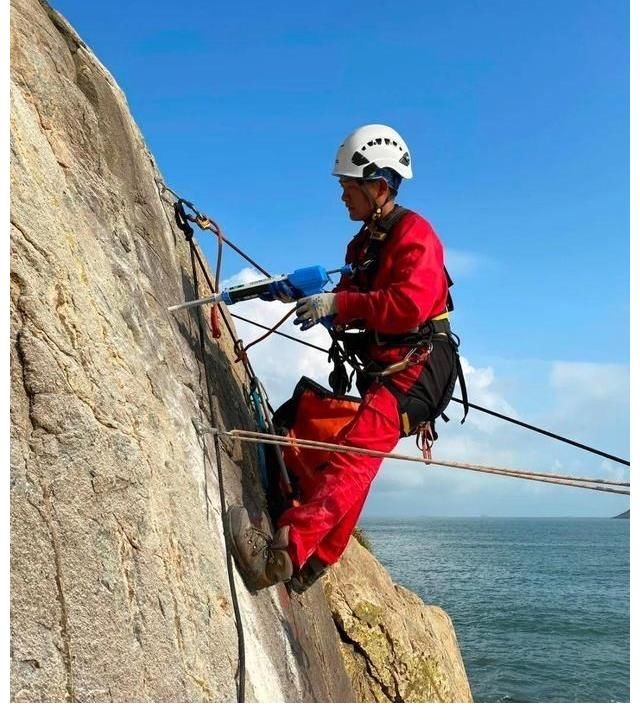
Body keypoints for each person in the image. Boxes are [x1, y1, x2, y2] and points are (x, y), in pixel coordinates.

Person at [228, 124, 460, 593]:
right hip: (390, 365)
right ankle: (314, 564)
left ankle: (281, 556)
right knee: (357, 458)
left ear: (378, 186)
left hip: (418, 368)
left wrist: (339, 305)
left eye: (347, 188)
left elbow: (409, 306)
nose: (341, 198)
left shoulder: (416, 235)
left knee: (353, 458)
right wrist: (299, 295)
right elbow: (353, 303)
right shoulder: (362, 245)